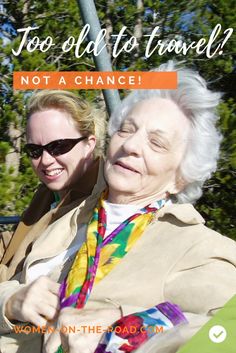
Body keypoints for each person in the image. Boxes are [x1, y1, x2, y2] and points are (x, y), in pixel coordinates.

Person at [0, 62, 235, 353]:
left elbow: (228, 330)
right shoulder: (74, 215)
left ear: (180, 177)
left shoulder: (193, 246)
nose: (131, 145)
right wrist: (11, 301)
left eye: (156, 143)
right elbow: (14, 282)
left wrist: (130, 326)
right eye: (126, 129)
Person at [0, 90, 106, 283]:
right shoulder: (50, 193)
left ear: (89, 144)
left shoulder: (102, 201)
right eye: (35, 150)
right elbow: (20, 241)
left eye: (58, 146)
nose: (46, 161)